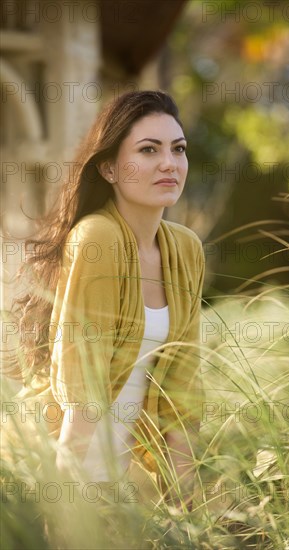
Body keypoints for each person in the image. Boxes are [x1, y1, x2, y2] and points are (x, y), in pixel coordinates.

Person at [6, 90, 206, 512]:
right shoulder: (97, 238)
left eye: (179, 149)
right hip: (64, 471)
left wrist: (189, 512)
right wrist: (59, 521)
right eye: (149, 150)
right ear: (110, 168)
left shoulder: (185, 250)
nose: (169, 163)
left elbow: (182, 394)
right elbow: (83, 393)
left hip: (132, 484)